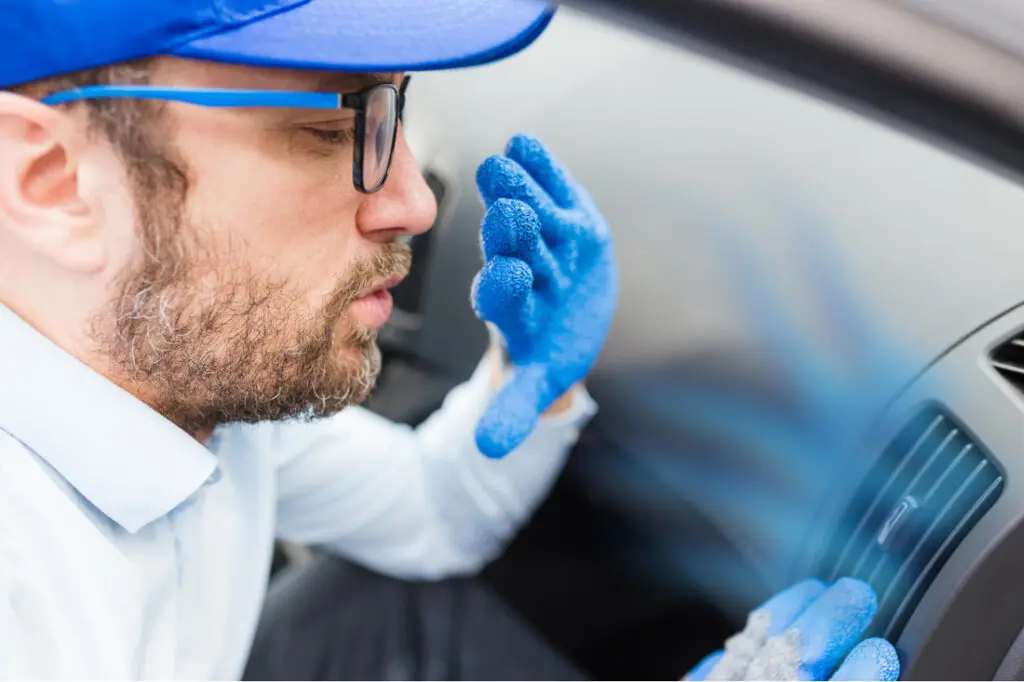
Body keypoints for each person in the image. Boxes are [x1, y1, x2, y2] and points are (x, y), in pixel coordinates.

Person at [0, 0, 899, 679]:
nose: (414, 203)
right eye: (330, 126)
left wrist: (534, 379)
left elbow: (430, 516)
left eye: (395, 108)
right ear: (52, 181)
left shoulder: (180, 372)